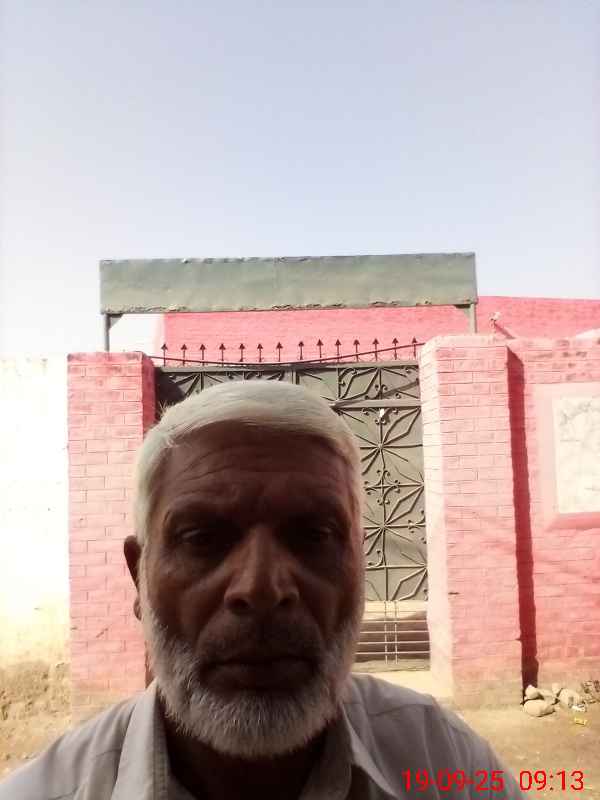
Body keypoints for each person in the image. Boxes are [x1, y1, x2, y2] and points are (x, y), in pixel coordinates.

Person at [0, 380, 525, 799]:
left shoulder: (447, 767)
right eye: (203, 539)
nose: (261, 588)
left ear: (359, 566)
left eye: (313, 535)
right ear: (139, 575)